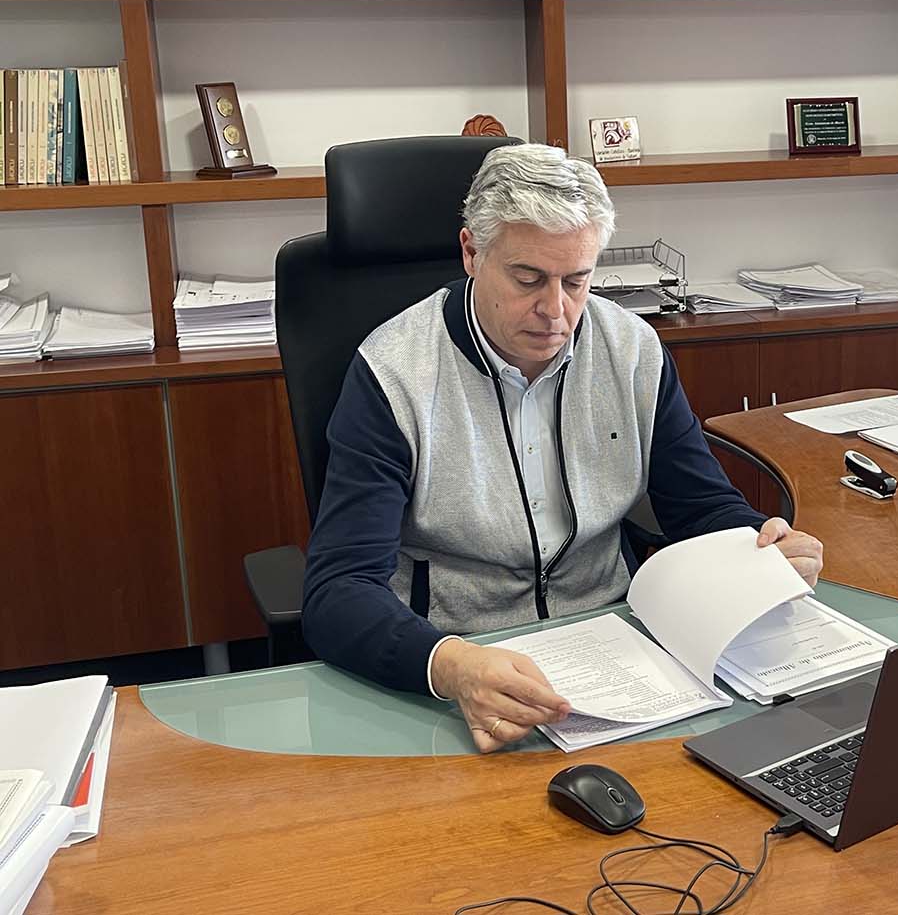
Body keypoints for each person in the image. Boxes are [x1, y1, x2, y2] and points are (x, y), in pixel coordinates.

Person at [302, 143, 824, 752]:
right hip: (460, 655)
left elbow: (702, 508)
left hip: (618, 648)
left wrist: (760, 545)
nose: (556, 311)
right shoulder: (394, 372)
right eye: (528, 279)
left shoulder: (631, 349)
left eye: (576, 281)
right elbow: (338, 590)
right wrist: (450, 665)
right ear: (471, 253)